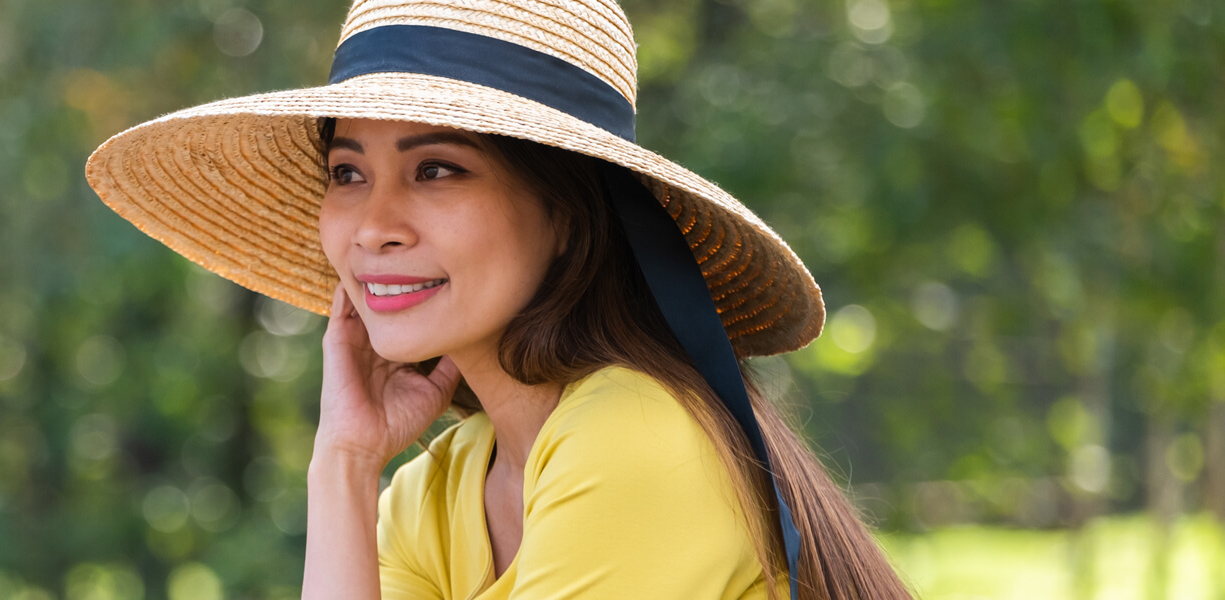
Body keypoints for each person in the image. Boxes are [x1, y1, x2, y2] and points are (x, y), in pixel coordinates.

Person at [84, 0, 912, 598]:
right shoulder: (435, 493)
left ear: (563, 211)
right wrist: (341, 463)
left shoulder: (634, 436)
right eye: (346, 172)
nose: (373, 226)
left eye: (436, 167)